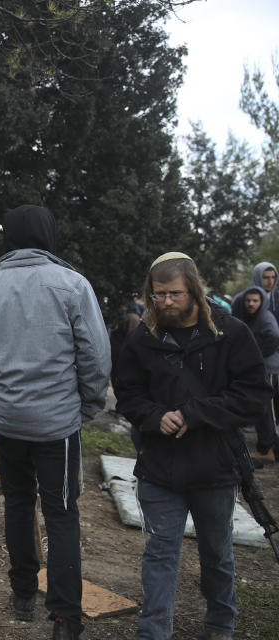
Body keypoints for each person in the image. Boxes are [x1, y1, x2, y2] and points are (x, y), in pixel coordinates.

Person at [0, 204, 110, 640]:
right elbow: (96, 356)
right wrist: (88, 405)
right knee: (61, 512)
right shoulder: (72, 284)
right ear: (49, 236)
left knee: (18, 502)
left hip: (7, 420)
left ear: (7, 237)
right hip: (56, 424)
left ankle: (23, 593)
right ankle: (65, 618)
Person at [114, 252, 272, 640]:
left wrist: (196, 413)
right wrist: (155, 416)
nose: (165, 302)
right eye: (158, 295)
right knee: (159, 554)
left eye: (175, 294)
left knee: (217, 554)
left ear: (195, 292)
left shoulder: (230, 332)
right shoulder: (143, 338)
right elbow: (128, 394)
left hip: (214, 465)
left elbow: (253, 394)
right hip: (160, 465)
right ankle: (153, 632)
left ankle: (220, 624)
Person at [236, 285, 279, 463]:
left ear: (262, 302)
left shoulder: (266, 318)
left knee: (267, 410)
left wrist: (255, 356)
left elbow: (273, 337)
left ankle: (269, 448)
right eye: (248, 301)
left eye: (255, 301)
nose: (251, 304)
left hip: (268, 369)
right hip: (260, 369)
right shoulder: (252, 317)